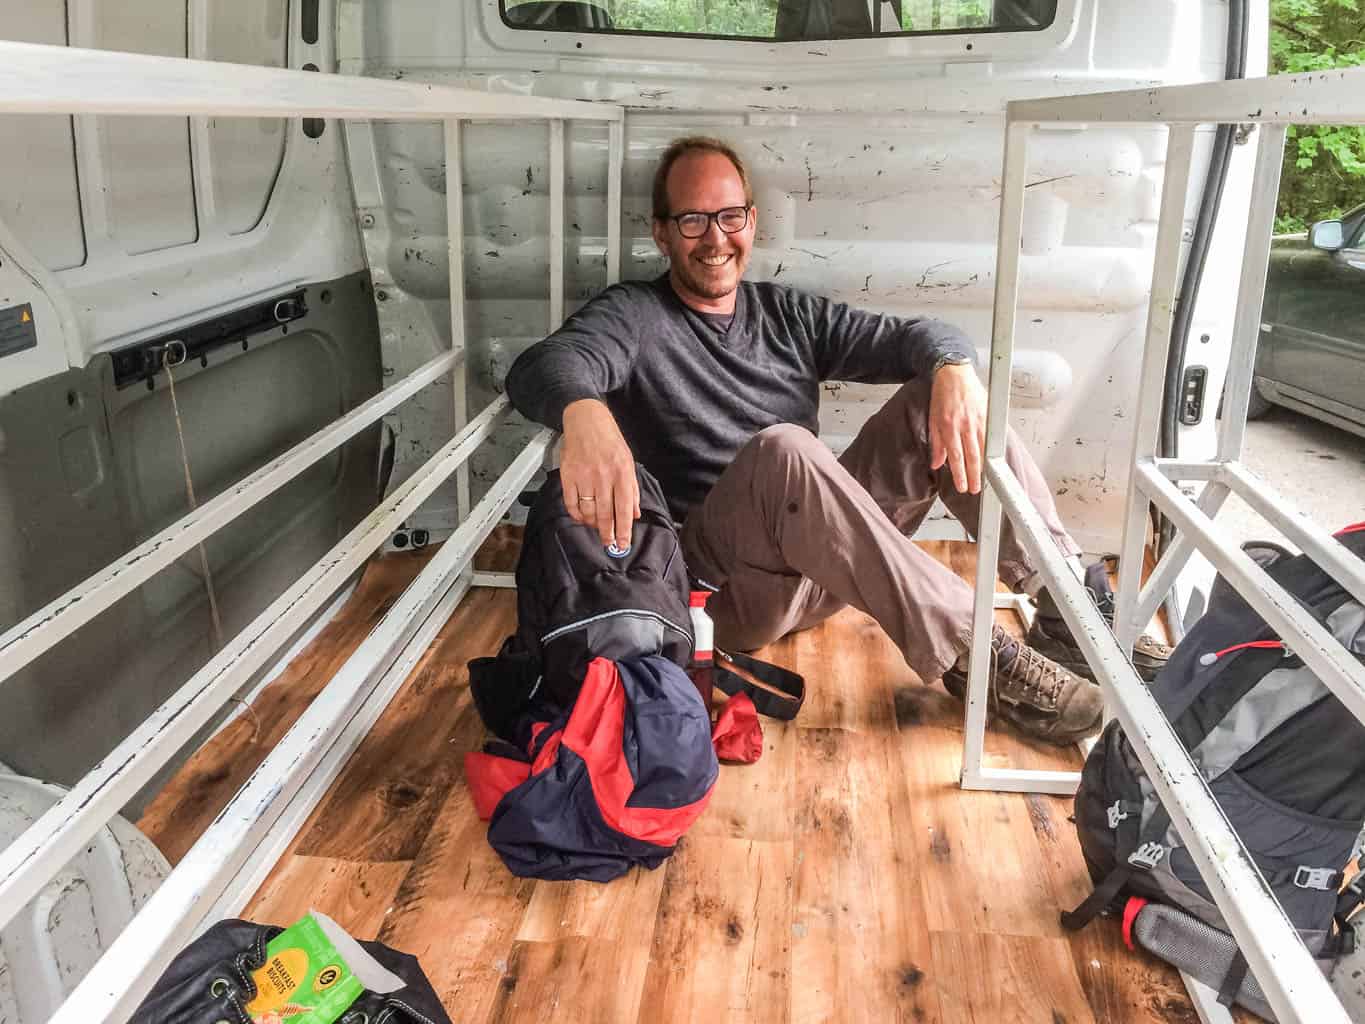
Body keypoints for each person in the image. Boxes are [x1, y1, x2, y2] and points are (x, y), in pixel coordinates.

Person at [506, 136, 1161, 745]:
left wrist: (954, 369)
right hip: (723, 591)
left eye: (729, 217)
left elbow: (913, 338)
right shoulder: (635, 315)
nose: (715, 239)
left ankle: (1072, 610)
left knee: (940, 401)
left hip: (825, 566)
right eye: (692, 220)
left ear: (752, 223)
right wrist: (584, 412)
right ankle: (978, 659)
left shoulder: (787, 314)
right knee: (783, 449)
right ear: (661, 232)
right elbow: (542, 365)